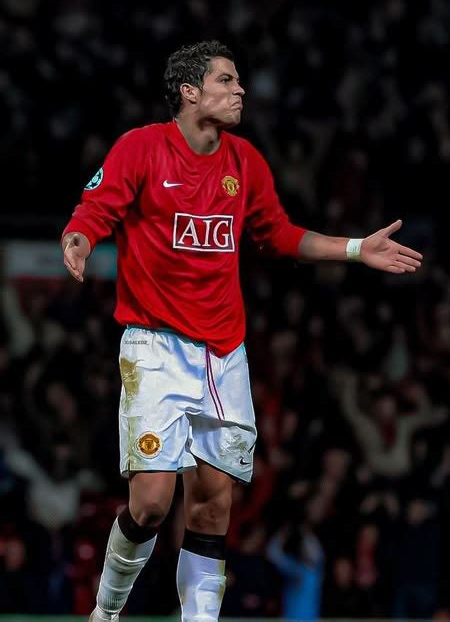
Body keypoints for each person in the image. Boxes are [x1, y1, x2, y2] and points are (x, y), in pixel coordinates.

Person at [61, 40, 423, 622]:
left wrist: (357, 249)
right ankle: (105, 612)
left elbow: (278, 234)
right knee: (151, 504)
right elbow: (95, 210)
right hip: (155, 346)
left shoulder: (244, 161)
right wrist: (78, 240)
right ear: (190, 91)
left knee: (212, 508)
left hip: (225, 354)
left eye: (238, 81)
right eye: (226, 81)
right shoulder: (142, 148)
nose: (240, 91)